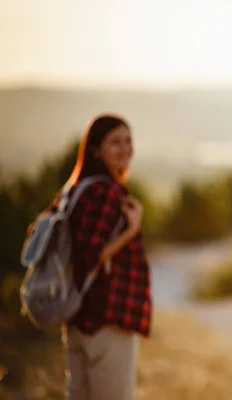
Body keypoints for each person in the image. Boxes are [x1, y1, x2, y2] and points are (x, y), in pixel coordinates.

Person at [61, 114, 152, 400]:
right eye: (115, 142)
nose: (125, 149)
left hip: (78, 319)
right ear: (95, 150)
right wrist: (132, 230)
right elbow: (90, 256)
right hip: (107, 321)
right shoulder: (106, 192)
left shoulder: (76, 190)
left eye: (128, 141)